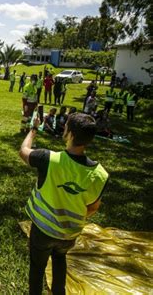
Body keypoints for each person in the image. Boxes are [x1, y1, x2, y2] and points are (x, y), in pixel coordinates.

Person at [19, 113, 109, 295]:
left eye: (66, 126)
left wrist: (33, 129)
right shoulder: (101, 174)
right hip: (69, 235)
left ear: (71, 134)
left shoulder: (49, 159)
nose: (63, 128)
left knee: (37, 267)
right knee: (60, 259)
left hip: (43, 231)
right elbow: (93, 207)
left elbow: (23, 151)